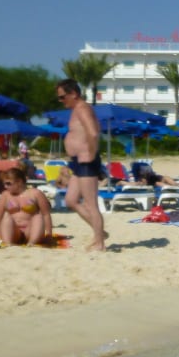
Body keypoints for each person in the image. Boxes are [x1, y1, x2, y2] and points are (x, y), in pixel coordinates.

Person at [57, 78, 107, 251]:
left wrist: (91, 154)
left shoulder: (83, 108)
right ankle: (99, 231)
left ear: (74, 94)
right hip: (78, 162)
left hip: (86, 160)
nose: (61, 101)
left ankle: (99, 242)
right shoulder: (76, 110)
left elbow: (93, 133)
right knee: (71, 200)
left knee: (91, 204)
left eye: (63, 97)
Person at [0, 166, 53, 246]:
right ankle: (8, 243)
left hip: (30, 230)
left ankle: (32, 242)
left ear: (19, 182)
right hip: (13, 231)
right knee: (6, 216)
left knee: (38, 216)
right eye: (4, 184)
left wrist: (49, 234)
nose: (5, 186)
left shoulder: (35, 193)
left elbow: (46, 214)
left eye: (8, 183)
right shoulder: (5, 195)